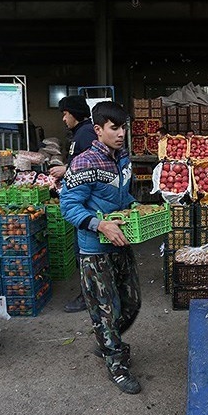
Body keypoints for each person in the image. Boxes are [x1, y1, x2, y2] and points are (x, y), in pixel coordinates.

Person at [60, 101, 142, 394]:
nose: (121, 133)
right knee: (106, 310)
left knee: (131, 303)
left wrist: (135, 207)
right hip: (95, 249)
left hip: (120, 243)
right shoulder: (84, 163)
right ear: (98, 130)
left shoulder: (122, 158)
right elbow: (68, 206)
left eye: (123, 128)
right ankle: (117, 365)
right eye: (114, 128)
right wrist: (99, 224)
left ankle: (107, 340)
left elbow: (121, 197)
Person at [51, 95, 98, 314]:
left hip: (86, 202)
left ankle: (88, 296)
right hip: (82, 198)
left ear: (74, 113)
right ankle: (89, 293)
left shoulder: (86, 133)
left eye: (65, 114)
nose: (63, 119)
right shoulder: (80, 133)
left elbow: (91, 166)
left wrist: (66, 171)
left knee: (85, 252)